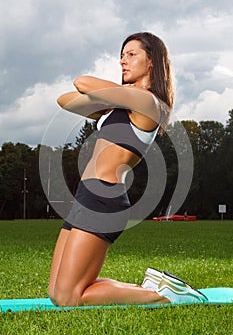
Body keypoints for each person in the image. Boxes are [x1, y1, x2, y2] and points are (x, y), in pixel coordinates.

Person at [48, 32, 207, 307]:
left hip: (104, 199)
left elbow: (81, 82)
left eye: (131, 55)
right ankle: (148, 287)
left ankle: (164, 295)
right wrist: (113, 100)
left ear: (152, 61)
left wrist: (114, 96)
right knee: (55, 292)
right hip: (86, 195)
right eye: (121, 56)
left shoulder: (148, 103)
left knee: (68, 296)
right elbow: (65, 100)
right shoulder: (122, 104)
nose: (123, 61)